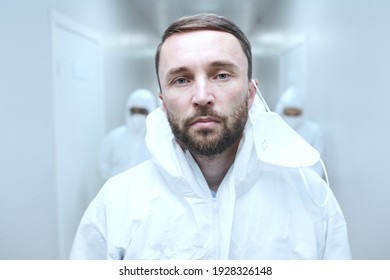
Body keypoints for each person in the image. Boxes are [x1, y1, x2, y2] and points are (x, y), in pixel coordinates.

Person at [70, 13, 351, 260]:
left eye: (222, 75)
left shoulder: (311, 198)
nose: (202, 97)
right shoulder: (117, 203)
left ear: (251, 94)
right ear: (163, 102)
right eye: (181, 79)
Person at [98, 88, 156, 182]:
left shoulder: (158, 140)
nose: (137, 116)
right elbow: (104, 166)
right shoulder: (114, 137)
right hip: (117, 192)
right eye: (134, 111)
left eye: (142, 112)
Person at [275, 86, 325, 177]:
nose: (292, 117)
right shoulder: (274, 130)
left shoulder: (314, 131)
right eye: (288, 113)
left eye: (296, 114)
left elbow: (318, 166)